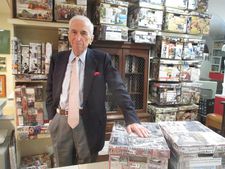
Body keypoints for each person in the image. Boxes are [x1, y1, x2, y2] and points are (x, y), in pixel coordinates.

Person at [46, 15, 150, 167]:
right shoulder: (58, 59)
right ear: (68, 35)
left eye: (83, 33)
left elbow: (118, 88)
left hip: (89, 123)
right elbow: (49, 89)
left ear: (91, 38)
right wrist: (51, 117)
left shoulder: (102, 59)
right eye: (74, 32)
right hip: (61, 121)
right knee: (62, 164)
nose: (78, 37)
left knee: (87, 163)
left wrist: (132, 118)